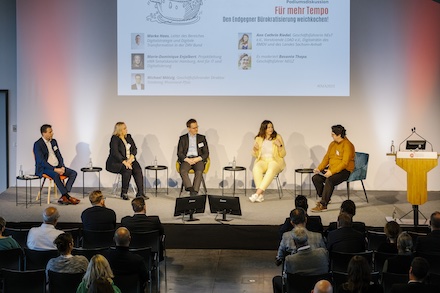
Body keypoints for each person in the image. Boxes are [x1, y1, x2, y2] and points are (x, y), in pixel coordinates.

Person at [311, 125, 355, 212]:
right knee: (316, 178)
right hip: (332, 169)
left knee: (330, 180)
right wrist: (319, 168)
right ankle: (325, 197)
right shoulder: (332, 144)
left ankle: (323, 205)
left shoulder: (348, 145)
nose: (331, 135)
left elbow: (344, 163)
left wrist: (332, 172)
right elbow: (326, 158)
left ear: (339, 135)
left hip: (344, 171)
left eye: (333, 134)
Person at [272, 226, 329, 293]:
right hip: (319, 288)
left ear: (294, 242)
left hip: (298, 289)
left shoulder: (290, 260)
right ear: (307, 238)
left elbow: (286, 279)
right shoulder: (323, 253)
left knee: (276, 280)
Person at [34, 124, 80, 205]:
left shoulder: (54, 141)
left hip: (57, 166)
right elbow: (41, 161)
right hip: (45, 168)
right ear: (44, 133)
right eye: (50, 132)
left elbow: (59, 155)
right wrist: (55, 169)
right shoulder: (38, 144)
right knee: (56, 175)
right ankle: (67, 196)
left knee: (73, 173)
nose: (52, 133)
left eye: (52, 131)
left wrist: (62, 166)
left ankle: (64, 195)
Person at [105, 122, 146, 200]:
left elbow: (134, 149)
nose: (126, 129)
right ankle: (124, 193)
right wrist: (125, 162)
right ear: (120, 130)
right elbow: (115, 152)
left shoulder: (129, 137)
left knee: (137, 169)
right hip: (116, 162)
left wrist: (130, 159)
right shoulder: (114, 138)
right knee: (127, 170)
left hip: (130, 160)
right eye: (124, 128)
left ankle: (140, 193)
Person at [249, 120, 286, 203]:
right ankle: (261, 195)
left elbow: (283, 154)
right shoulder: (259, 138)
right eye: (268, 127)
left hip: (275, 160)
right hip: (262, 160)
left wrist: (279, 146)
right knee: (256, 168)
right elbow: (254, 155)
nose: (271, 129)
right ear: (264, 128)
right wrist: (255, 150)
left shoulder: (277, 137)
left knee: (271, 169)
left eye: (271, 127)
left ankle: (257, 193)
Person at [177, 118, 209, 196]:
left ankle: (194, 192)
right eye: (194, 128)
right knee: (183, 170)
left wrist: (198, 159)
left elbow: (206, 153)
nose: (196, 129)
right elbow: (179, 153)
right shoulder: (183, 138)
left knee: (199, 172)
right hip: (187, 159)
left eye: (197, 127)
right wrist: (187, 159)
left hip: (198, 159)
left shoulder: (202, 138)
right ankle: (190, 188)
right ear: (188, 128)